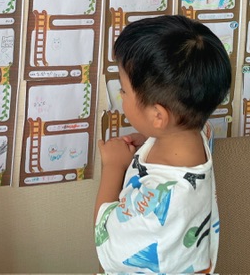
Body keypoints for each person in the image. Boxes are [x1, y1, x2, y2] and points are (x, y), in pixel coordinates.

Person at [94, 15, 231, 273]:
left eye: (123, 90)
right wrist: (150, 138)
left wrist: (113, 166)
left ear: (158, 116)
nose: (120, 95)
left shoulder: (161, 198)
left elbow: (106, 240)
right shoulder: (196, 131)